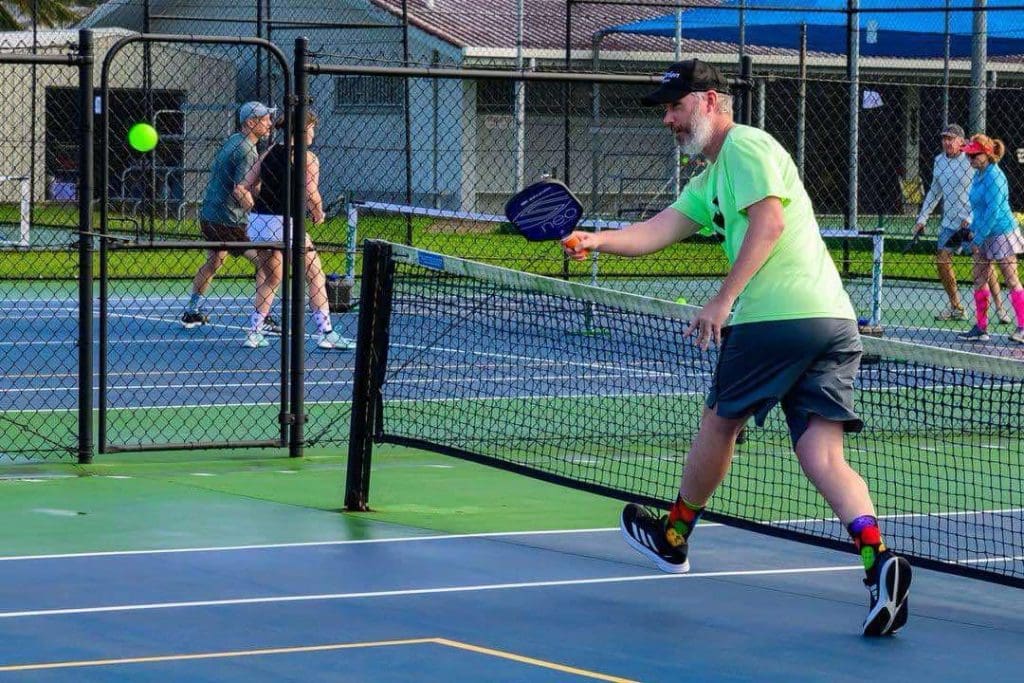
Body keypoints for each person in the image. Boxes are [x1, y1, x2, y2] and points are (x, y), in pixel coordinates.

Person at [563, 59, 910, 636]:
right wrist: (593, 239)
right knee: (821, 454)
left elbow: (767, 226)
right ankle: (879, 561)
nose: (669, 119)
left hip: (774, 318)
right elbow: (657, 231)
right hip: (832, 321)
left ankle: (674, 537)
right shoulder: (711, 177)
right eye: (667, 110)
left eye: (675, 106)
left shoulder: (747, 146)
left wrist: (723, 302)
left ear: (709, 100)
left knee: (719, 423)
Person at [242, 111, 356, 350]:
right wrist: (319, 213)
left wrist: (266, 202)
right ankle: (326, 332)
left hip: (258, 221)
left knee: (273, 278)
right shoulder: (308, 158)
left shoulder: (268, 151)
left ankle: (253, 332)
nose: (314, 133)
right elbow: (311, 192)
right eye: (312, 128)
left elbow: (245, 186)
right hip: (283, 223)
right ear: (304, 130)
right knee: (315, 273)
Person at [181, 101, 281, 335]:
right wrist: (259, 214)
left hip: (211, 215)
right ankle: (263, 317)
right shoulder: (246, 149)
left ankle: (191, 310)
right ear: (250, 122)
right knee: (264, 264)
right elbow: (241, 190)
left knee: (215, 261)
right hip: (228, 219)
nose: (269, 123)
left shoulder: (234, 140)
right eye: (265, 118)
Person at [913, 125, 1010, 324]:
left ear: (961, 141)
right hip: (950, 223)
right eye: (944, 138)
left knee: (985, 265)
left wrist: (972, 217)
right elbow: (934, 192)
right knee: (941, 261)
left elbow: (981, 193)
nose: (947, 142)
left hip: (971, 223)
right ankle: (956, 307)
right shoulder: (938, 161)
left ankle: (1000, 309)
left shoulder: (970, 160)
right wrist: (922, 219)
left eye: (951, 138)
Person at [957, 134, 1024, 343]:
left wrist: (978, 239)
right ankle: (981, 327)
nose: (970, 160)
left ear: (986, 154)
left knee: (1011, 280)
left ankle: (1023, 327)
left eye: (974, 155)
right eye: (968, 156)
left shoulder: (995, 176)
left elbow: (993, 211)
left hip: (1002, 232)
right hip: (983, 233)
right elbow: (979, 210)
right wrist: (974, 235)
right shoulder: (978, 175)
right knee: (979, 278)